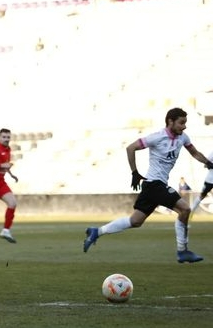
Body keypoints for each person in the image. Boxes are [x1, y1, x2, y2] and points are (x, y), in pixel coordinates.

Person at [83, 107, 213, 263]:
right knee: (185, 209)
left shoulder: (183, 138)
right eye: (181, 123)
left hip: (154, 186)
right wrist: (135, 172)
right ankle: (182, 251)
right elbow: (131, 148)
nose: (184, 126)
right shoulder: (156, 137)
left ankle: (97, 231)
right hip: (154, 184)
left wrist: (208, 163)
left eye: (185, 123)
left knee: (135, 221)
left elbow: (195, 153)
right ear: (170, 121)